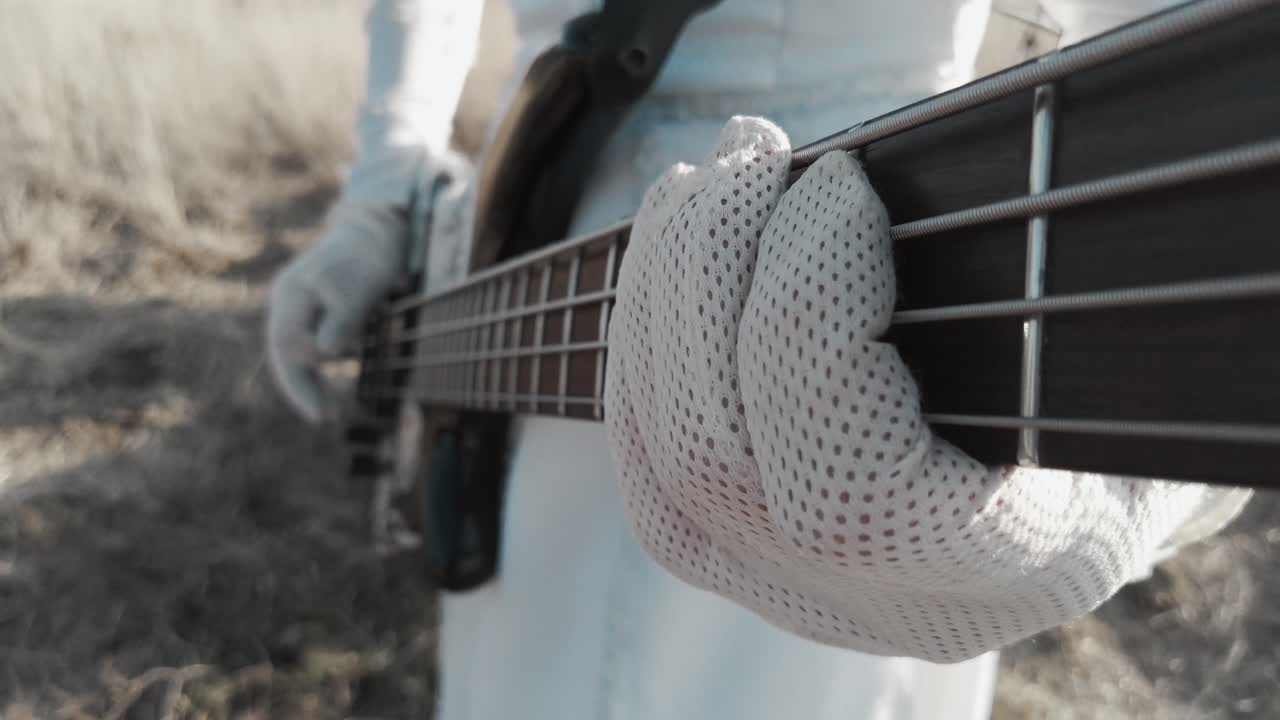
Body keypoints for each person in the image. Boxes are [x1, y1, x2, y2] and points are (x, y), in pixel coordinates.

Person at [265, 1, 1252, 718]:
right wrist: (383, 195)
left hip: (866, 238)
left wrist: (1114, 502)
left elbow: (1197, 65)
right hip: (523, 256)